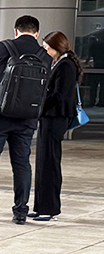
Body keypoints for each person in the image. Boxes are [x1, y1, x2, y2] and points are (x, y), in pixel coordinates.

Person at [0, 15, 51, 225]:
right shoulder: (44, 56)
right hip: (26, 119)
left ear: (16, 30)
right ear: (37, 33)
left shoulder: (2, 48)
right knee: (22, 164)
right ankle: (20, 212)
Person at [30, 31, 82, 221]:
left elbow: (60, 95)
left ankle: (50, 209)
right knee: (43, 162)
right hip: (50, 117)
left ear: (57, 47)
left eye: (48, 47)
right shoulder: (59, 62)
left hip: (55, 117)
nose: (46, 51)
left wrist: (39, 104)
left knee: (50, 163)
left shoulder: (66, 65)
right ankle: (41, 206)